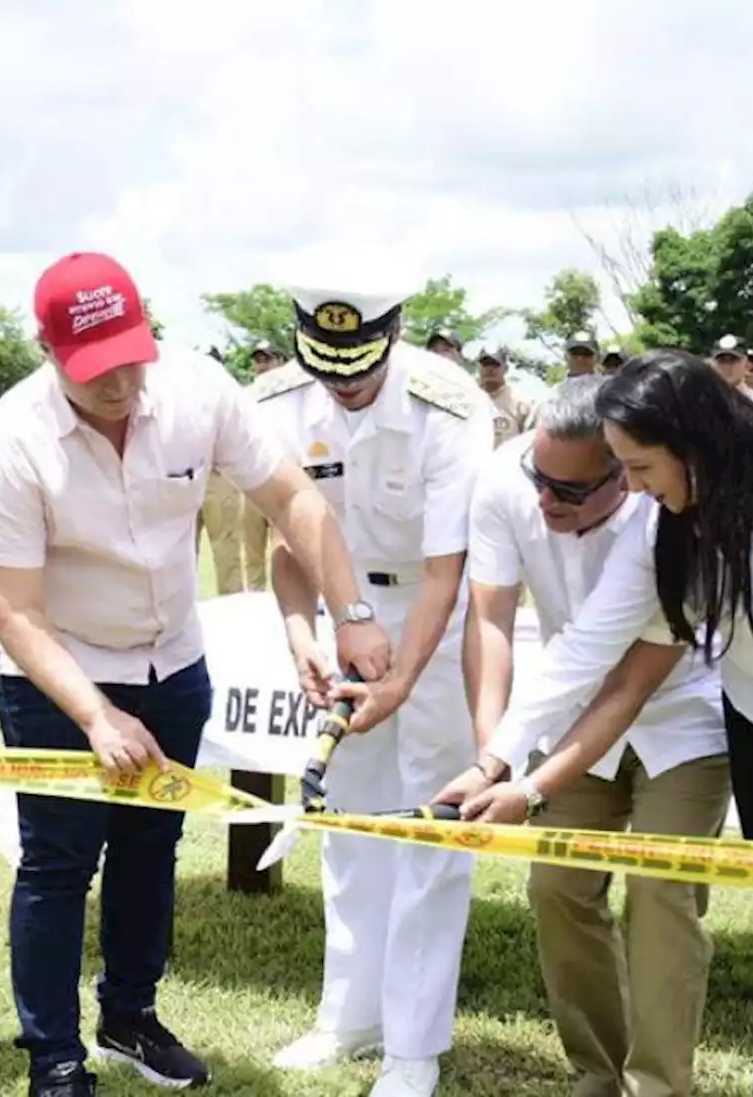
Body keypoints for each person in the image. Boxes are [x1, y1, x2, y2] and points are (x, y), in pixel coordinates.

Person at [443, 349, 753, 1097]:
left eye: (641, 466)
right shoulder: (666, 521)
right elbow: (587, 649)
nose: (635, 488)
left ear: (693, 440)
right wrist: (498, 759)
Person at [0, 251, 391, 1097]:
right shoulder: (15, 438)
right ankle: (53, 1056)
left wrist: (350, 615)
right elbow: (15, 610)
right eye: (97, 373)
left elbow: (297, 502)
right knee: (57, 864)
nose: (122, 384)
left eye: (132, 357)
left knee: (150, 846)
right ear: (49, 352)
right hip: (58, 670)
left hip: (173, 660)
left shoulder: (201, 391)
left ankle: (130, 1016)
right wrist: (95, 715)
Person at [435, 376, 730, 1097]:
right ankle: (599, 1072)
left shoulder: (672, 513)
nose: (544, 500)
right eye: (541, 478)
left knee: (662, 893)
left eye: (569, 492)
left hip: (681, 711)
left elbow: (623, 679)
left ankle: (659, 1086)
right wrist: (489, 759)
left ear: (625, 472)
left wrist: (523, 779)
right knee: (558, 886)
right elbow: (494, 624)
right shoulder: (507, 480)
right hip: (563, 708)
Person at [258, 268, 493, 1097]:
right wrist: (300, 637)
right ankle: (348, 1017)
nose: (345, 383)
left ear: (393, 335)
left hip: (435, 621)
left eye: (359, 364)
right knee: (351, 822)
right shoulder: (277, 403)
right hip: (338, 623)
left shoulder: (451, 408)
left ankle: (414, 1049)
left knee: (429, 826)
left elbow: (445, 569)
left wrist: (403, 677)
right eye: (327, 364)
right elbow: (287, 545)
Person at [197, 340, 284, 592]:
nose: (262, 365)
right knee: (251, 550)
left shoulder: (238, 394)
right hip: (206, 476)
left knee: (281, 546)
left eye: (267, 359)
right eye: (258, 360)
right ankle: (251, 599)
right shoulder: (247, 394)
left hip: (257, 476)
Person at [476, 346, 539, 448]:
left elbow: (532, 441)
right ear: (478, 367)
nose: (490, 369)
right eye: (485, 364)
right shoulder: (467, 397)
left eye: (496, 365)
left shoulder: (522, 403)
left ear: (506, 369)